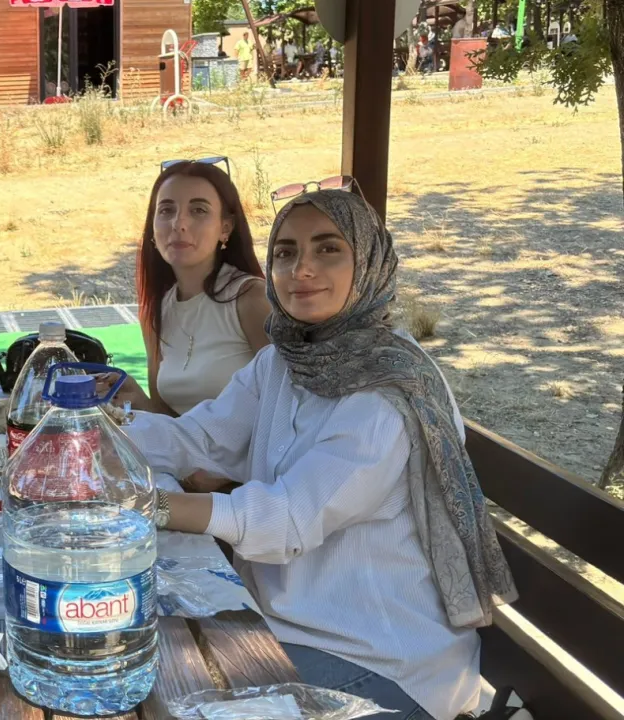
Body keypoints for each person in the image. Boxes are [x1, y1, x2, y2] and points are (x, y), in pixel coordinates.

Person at [124, 190, 518, 720]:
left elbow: (289, 519)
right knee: (133, 651)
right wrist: (84, 435)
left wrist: (146, 505)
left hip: (380, 660)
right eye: (285, 252)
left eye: (328, 249)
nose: (301, 269)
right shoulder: (286, 360)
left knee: (159, 684)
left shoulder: (387, 390)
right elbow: (199, 439)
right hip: (284, 627)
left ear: (369, 262)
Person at [113, 159, 271, 423]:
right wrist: (138, 399)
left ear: (225, 228)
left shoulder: (251, 299)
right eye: (166, 210)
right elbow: (172, 423)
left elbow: (288, 409)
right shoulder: (158, 310)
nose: (178, 223)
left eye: (198, 210)